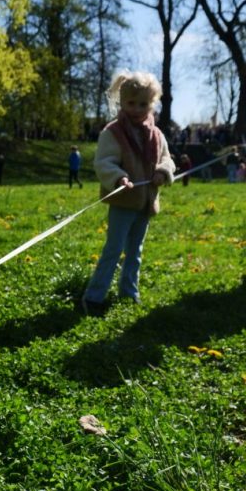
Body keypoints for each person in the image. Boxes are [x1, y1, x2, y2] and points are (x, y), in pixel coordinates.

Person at [81, 70, 176, 316]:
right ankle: (94, 296)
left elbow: (167, 159)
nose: (136, 109)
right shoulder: (112, 132)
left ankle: (129, 291)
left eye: (143, 104)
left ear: (152, 104)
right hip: (123, 200)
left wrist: (162, 172)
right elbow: (104, 162)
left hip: (145, 201)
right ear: (121, 102)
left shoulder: (156, 134)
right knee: (113, 249)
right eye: (131, 103)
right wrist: (119, 177)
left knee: (136, 251)